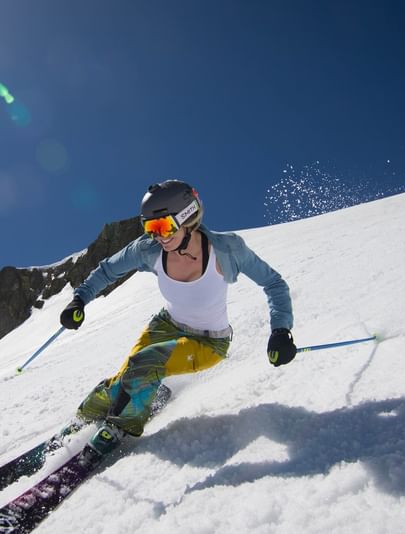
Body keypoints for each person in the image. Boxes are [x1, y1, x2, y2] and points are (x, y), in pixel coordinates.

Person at [59, 179, 296, 455]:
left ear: (188, 216)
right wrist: (80, 299)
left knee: (143, 364)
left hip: (209, 343)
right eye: (150, 228)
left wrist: (281, 331)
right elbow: (108, 270)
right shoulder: (149, 251)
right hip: (165, 325)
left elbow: (274, 284)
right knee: (123, 379)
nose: (157, 236)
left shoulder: (227, 250)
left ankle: (119, 426)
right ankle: (84, 417)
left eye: (162, 227)